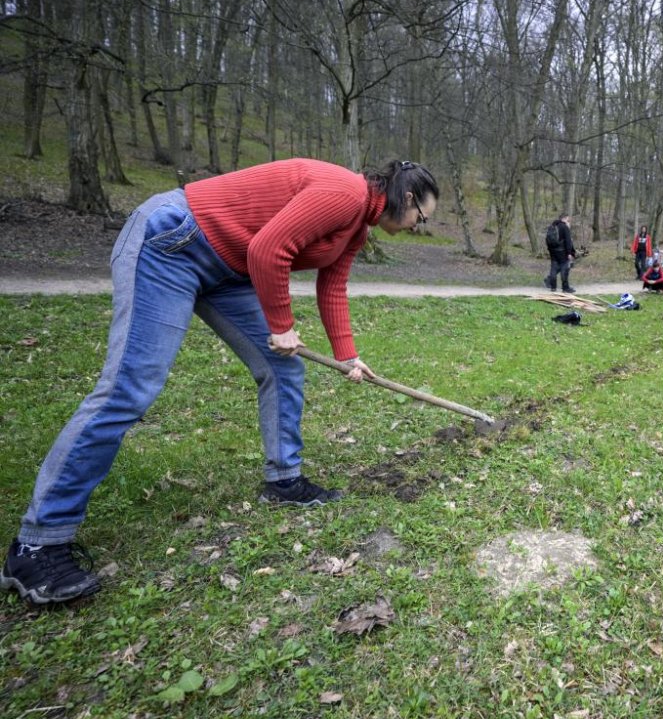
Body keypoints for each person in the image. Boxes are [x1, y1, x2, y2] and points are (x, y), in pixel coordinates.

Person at [0, 158, 438, 605]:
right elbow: (269, 249)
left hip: (228, 270)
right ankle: (37, 543)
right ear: (406, 198)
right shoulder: (344, 192)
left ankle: (284, 480)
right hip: (172, 239)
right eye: (421, 217)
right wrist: (281, 324)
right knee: (129, 390)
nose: (418, 226)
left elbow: (332, 287)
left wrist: (348, 357)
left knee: (282, 368)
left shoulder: (357, 227)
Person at [543, 213, 576, 293]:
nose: (568, 222)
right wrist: (570, 253)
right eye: (568, 220)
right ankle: (565, 288)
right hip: (562, 252)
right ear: (564, 219)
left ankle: (552, 287)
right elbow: (568, 241)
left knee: (554, 268)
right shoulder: (564, 227)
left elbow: (548, 240)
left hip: (553, 252)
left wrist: (550, 250)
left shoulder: (552, 226)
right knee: (565, 268)